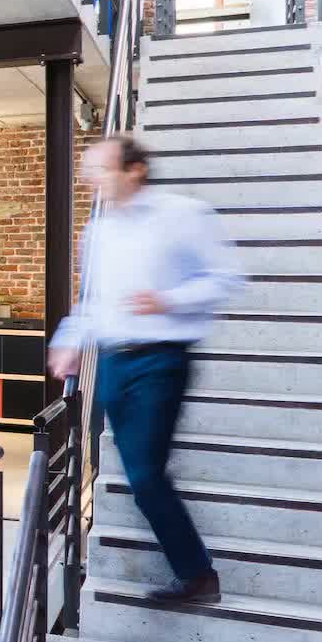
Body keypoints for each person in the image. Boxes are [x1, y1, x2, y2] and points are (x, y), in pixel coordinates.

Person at [49, 135, 242, 604]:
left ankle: (198, 576)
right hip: (113, 362)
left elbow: (227, 278)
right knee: (140, 471)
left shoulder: (183, 215)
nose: (92, 181)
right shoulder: (98, 232)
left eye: (102, 170)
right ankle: (195, 571)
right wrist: (70, 340)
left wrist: (167, 300)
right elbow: (92, 300)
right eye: (89, 173)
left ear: (135, 169)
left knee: (145, 474)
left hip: (160, 359)